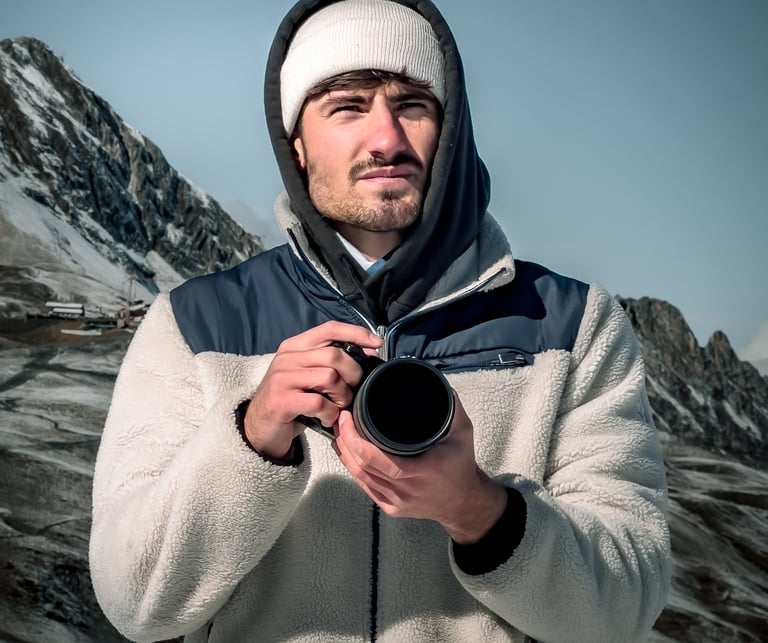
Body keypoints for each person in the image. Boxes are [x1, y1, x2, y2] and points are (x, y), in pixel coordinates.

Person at [89, 1, 671, 641]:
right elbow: (133, 602)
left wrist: (477, 509)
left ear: (450, 131)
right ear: (298, 145)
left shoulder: (576, 325)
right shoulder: (192, 325)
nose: (386, 138)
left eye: (414, 104)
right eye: (347, 106)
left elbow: (627, 606)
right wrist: (251, 439)